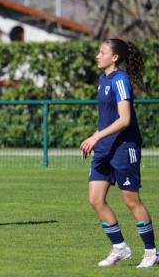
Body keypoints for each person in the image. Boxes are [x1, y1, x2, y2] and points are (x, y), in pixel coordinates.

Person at [80, 39, 156, 268]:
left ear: (114, 58)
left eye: (102, 52)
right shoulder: (103, 79)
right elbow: (107, 119)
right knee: (95, 199)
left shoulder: (121, 80)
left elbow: (125, 120)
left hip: (125, 147)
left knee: (131, 200)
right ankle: (120, 248)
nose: (97, 55)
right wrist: (93, 137)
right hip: (104, 148)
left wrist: (97, 137)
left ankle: (152, 252)